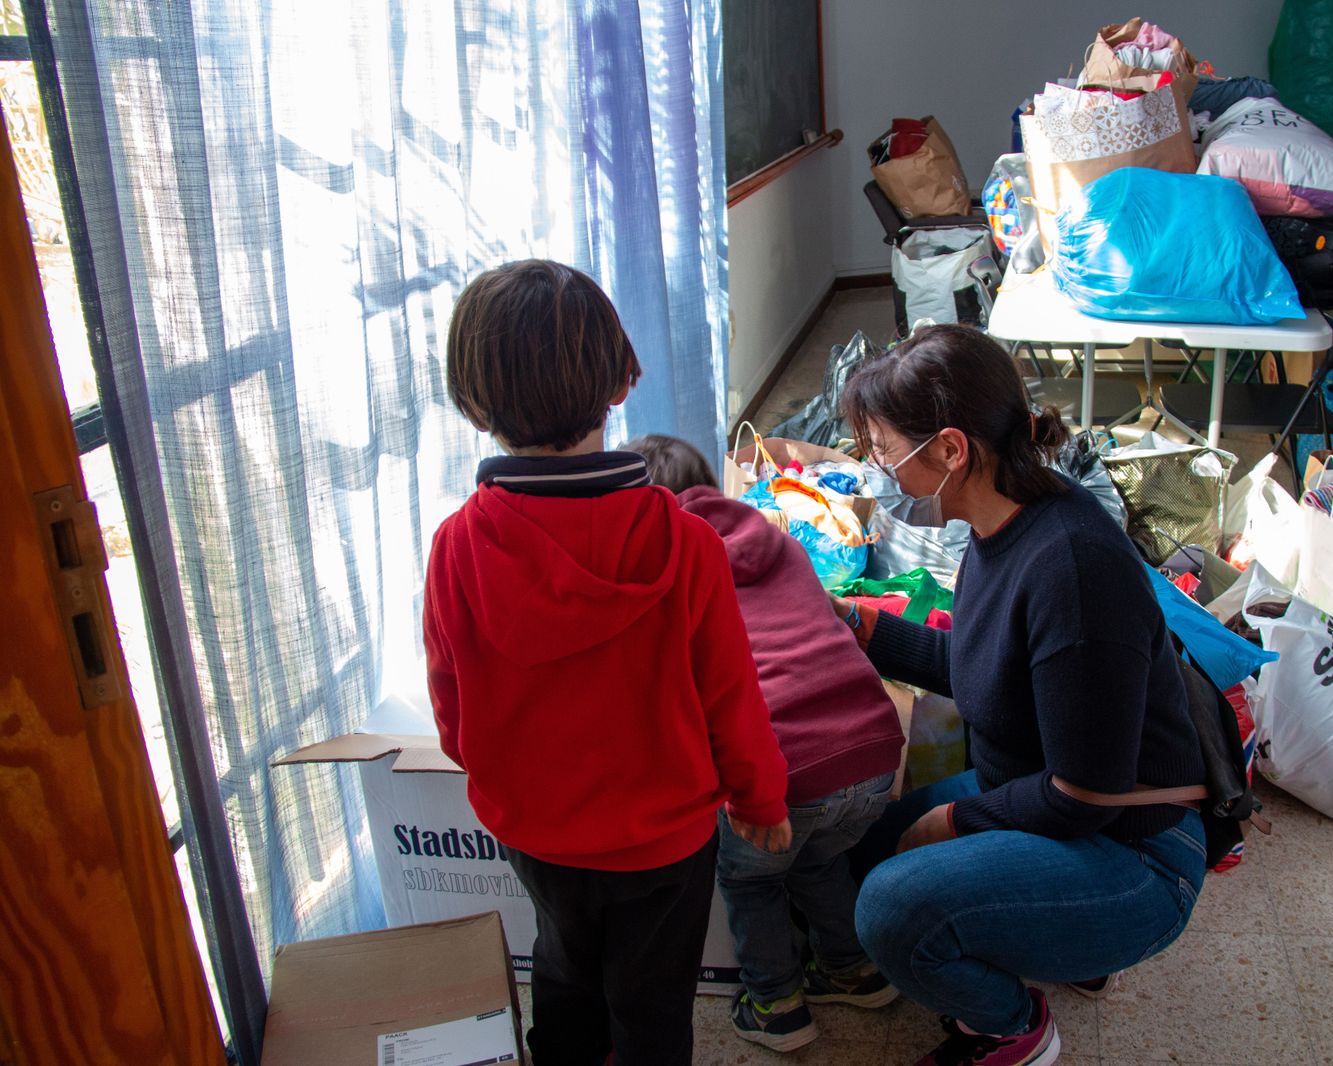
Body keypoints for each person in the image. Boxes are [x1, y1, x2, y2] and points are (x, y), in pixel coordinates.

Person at [423, 260, 792, 1066]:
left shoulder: (457, 544)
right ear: (621, 381)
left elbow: (451, 703)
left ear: (474, 403)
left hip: (537, 829)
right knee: (652, 997)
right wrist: (759, 797)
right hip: (664, 842)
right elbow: (732, 696)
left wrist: (500, 769)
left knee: (561, 961)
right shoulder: (688, 543)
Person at [837, 324, 1208, 1066]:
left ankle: (1013, 1029)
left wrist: (951, 819)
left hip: (1132, 852)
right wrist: (859, 625)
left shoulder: (1070, 568)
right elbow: (987, 670)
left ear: (949, 449)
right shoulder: (999, 518)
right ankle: (1046, 932)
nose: (877, 468)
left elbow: (1081, 794)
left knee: (890, 908)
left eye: (883, 449)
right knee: (864, 849)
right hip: (1046, 797)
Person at [627, 434, 904, 1053]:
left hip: (787, 762)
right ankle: (851, 969)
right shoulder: (772, 536)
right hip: (875, 746)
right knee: (818, 859)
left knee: (752, 879)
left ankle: (775, 1003)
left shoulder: (670, 564)